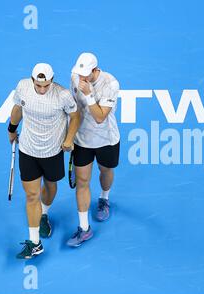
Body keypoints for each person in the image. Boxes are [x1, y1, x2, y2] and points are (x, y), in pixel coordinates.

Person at [8, 63, 80, 259]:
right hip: (28, 150)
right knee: (31, 196)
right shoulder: (22, 87)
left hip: (52, 151)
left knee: (50, 187)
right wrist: (11, 129)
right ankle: (34, 243)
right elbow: (17, 109)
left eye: (46, 85)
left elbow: (75, 116)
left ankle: (44, 214)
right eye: (38, 86)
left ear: (52, 80)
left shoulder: (62, 95)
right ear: (32, 80)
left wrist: (69, 138)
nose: (42, 89)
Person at [66, 53, 120, 247]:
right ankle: (84, 228)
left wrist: (88, 94)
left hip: (107, 140)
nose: (81, 78)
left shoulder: (110, 84)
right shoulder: (76, 77)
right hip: (82, 141)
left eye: (85, 74)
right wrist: (69, 136)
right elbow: (75, 110)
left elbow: (99, 117)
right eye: (79, 74)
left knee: (105, 172)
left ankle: (104, 198)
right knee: (82, 181)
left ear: (95, 70)